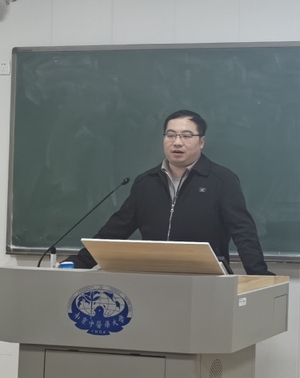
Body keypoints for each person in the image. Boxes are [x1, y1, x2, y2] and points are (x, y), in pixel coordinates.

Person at [66, 110, 272, 275]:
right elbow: (116, 229)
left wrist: (258, 273)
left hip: (206, 278)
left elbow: (243, 230)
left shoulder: (221, 180)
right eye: (171, 135)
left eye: (186, 136)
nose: (177, 142)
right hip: (152, 276)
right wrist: (79, 262)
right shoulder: (147, 182)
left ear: (201, 142)